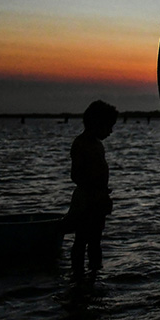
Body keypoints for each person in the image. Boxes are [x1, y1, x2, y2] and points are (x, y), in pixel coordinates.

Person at [65, 100, 118, 279]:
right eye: (108, 127)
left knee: (95, 240)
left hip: (97, 199)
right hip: (87, 200)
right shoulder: (81, 144)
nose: (110, 131)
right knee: (82, 240)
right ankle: (79, 273)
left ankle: (94, 272)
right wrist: (94, 190)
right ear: (97, 124)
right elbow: (76, 175)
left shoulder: (95, 144)